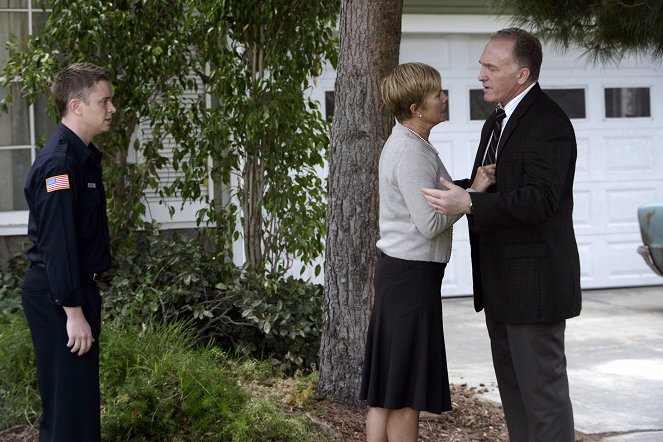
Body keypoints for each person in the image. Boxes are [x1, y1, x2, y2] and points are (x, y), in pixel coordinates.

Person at [422, 28, 581, 441]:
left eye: (492, 67)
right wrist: (452, 191)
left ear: (523, 74)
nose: (481, 75)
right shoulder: (496, 121)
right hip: (500, 285)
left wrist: (470, 203)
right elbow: (492, 187)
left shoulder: (548, 122)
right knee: (514, 396)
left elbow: (541, 200)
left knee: (542, 398)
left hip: (536, 288)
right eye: (481, 65)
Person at [360, 62, 495, 442]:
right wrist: (475, 196)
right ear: (417, 108)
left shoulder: (410, 142)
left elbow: (438, 200)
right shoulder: (412, 152)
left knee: (388, 389)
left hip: (401, 276)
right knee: (403, 395)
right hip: (411, 280)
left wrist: (473, 186)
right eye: (437, 94)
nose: (445, 99)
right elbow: (431, 222)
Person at [21, 62, 115, 441]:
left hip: (74, 291)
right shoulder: (59, 164)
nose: (112, 110)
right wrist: (73, 313)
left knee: (79, 407)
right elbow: (58, 245)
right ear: (76, 106)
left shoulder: (83, 158)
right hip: (58, 296)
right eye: (104, 101)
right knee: (66, 413)